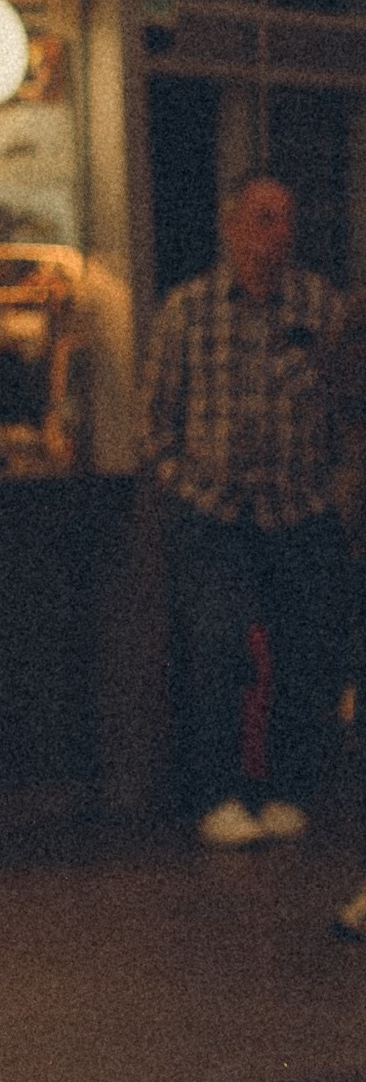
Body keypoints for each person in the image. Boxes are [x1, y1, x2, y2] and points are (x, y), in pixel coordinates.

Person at [144, 172, 349, 848]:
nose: (278, 233)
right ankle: (219, 794)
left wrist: (335, 484)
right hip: (215, 510)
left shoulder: (318, 307)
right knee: (217, 649)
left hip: (299, 508)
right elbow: (158, 416)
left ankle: (289, 788)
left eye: (286, 219)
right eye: (263, 218)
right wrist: (183, 482)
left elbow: (345, 401)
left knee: (303, 651)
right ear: (231, 226)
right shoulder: (189, 310)